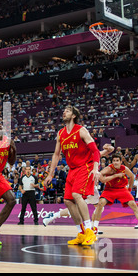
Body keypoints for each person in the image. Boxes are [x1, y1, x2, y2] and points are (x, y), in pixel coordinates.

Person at [44, 105, 101, 246]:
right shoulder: (60, 134)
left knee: (76, 195)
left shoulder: (81, 131)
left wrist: (95, 168)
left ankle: (90, 231)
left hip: (85, 166)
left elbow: (95, 151)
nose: (64, 112)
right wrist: (50, 174)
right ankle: (81, 233)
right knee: (68, 201)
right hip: (72, 169)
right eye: (64, 110)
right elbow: (56, 155)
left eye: (67, 111)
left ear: (74, 115)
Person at [43, 144, 115, 234]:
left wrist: (108, 147)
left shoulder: (96, 154)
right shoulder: (84, 157)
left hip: (92, 186)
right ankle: (91, 227)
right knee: (85, 208)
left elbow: (109, 150)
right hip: (84, 185)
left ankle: (54, 215)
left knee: (92, 207)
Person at [94, 154, 138, 236]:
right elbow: (101, 178)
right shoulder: (108, 169)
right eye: (114, 161)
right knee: (100, 203)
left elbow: (131, 176)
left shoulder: (124, 169)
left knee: (133, 204)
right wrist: (115, 175)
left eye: (117, 161)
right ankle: (95, 228)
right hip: (109, 189)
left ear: (121, 162)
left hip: (122, 189)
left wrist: (130, 189)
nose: (115, 162)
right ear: (112, 162)